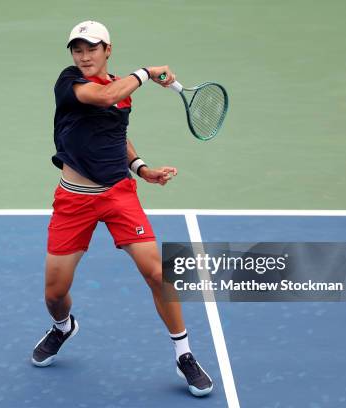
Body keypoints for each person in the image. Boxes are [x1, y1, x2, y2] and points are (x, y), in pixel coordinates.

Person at [31, 20, 213, 397]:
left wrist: (141, 168)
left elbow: (117, 133)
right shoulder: (70, 82)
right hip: (73, 200)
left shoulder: (121, 90)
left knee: (157, 272)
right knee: (54, 292)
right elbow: (103, 98)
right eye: (77, 49)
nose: (83, 56)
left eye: (91, 49)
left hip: (118, 194)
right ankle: (64, 327)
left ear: (107, 50)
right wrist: (146, 72)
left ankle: (184, 354)